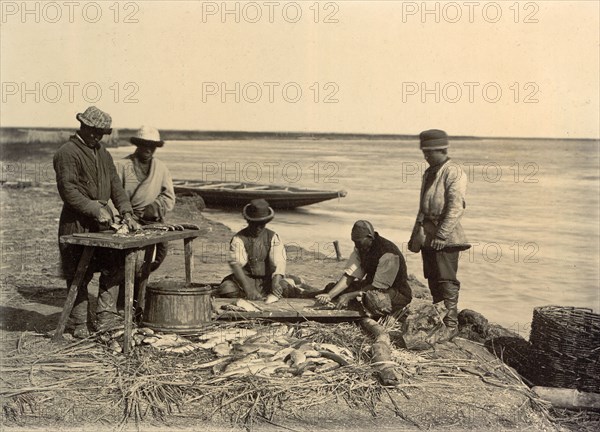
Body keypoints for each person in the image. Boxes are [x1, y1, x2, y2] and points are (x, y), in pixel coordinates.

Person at [53, 106, 140, 337]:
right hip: (76, 222)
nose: (97, 136)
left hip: (102, 224)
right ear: (83, 126)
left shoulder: (103, 152)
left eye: (101, 133)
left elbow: (115, 186)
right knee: (78, 273)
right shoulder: (67, 152)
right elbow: (68, 189)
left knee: (115, 263)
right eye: (93, 131)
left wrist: (127, 212)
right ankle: (79, 322)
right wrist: (93, 208)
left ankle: (105, 316)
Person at [408, 129, 470, 339]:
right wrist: (415, 235)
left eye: (429, 152)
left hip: (447, 237)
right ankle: (439, 321)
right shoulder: (429, 172)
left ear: (441, 150)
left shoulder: (453, 172)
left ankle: (451, 326)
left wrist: (442, 235)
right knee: (433, 279)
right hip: (428, 235)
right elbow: (422, 208)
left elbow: (455, 207)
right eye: (424, 152)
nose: (426, 156)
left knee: (446, 280)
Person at [316, 220, 412, 318]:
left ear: (370, 237)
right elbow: (350, 275)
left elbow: (378, 287)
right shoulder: (361, 248)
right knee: (333, 288)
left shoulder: (388, 252)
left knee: (374, 300)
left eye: (358, 242)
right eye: (354, 241)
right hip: (370, 286)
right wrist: (330, 295)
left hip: (395, 291)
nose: (356, 245)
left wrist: (349, 296)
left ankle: (395, 312)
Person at [113, 126, 175, 271]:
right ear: (137, 144)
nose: (148, 149)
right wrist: (124, 217)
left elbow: (169, 197)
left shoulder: (161, 168)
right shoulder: (121, 166)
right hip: (124, 220)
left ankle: (140, 281)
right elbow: (111, 196)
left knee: (158, 254)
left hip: (151, 220)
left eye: (152, 146)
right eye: (145, 145)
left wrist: (152, 209)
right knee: (121, 260)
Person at [218, 199, 299, 303]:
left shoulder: (273, 237)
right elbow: (237, 265)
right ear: (248, 221)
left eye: (261, 224)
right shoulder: (239, 238)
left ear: (266, 222)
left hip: (267, 281)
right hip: (245, 280)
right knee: (226, 289)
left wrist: (275, 283)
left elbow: (279, 263)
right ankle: (248, 294)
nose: (258, 228)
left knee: (285, 288)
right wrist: (248, 289)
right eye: (254, 224)